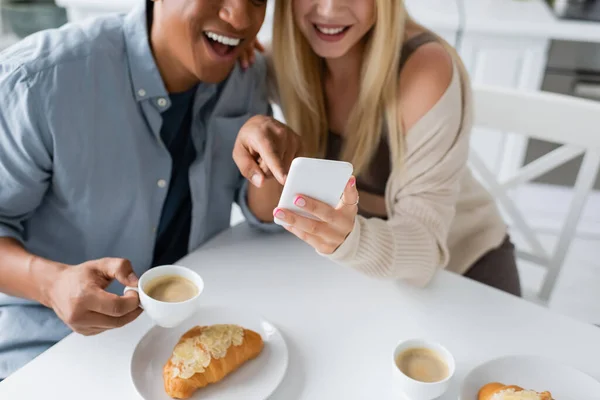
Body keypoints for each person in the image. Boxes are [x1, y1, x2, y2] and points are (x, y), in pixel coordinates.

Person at [0, 0, 299, 380]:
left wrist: (273, 162)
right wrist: (51, 285)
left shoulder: (243, 71)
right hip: (49, 348)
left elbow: (260, 211)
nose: (239, 18)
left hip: (180, 336)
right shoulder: (41, 80)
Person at [235, 0, 521, 295]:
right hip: (369, 273)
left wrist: (347, 239)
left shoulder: (424, 69)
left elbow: (425, 250)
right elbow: (266, 211)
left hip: (465, 269)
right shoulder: (281, 63)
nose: (330, 9)